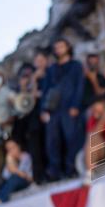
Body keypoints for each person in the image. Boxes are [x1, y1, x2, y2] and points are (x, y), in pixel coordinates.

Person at [41, 37, 85, 181]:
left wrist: (75, 105)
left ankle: (71, 168)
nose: (59, 49)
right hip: (53, 109)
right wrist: (43, 109)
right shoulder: (51, 69)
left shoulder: (76, 66)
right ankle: (55, 171)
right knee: (52, 141)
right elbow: (45, 89)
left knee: (72, 138)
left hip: (69, 107)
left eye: (62, 46)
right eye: (57, 47)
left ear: (67, 48)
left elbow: (80, 87)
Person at [0, 138, 33, 202]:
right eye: (9, 149)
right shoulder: (10, 160)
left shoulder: (25, 156)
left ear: (18, 146)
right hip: (12, 185)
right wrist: (10, 163)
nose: (11, 151)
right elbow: (5, 176)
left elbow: (22, 175)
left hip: (26, 181)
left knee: (14, 178)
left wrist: (13, 168)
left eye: (13, 147)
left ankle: (0, 199)